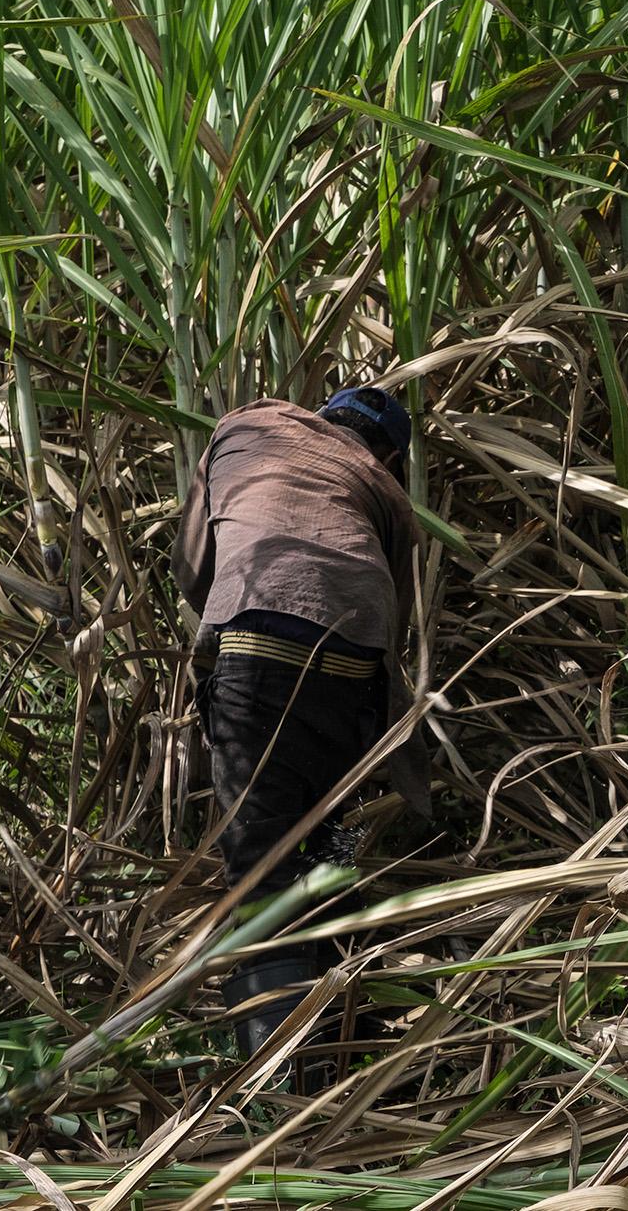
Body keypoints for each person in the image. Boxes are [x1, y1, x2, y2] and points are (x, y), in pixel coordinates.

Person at [172, 387, 422, 1076]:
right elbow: (394, 634)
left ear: (321, 414)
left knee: (261, 870)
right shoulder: (387, 491)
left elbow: (193, 568)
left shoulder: (244, 425)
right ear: (392, 455)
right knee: (326, 850)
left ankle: (285, 1090)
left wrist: (235, 615)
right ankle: (349, 1031)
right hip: (352, 677)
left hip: (255, 660)